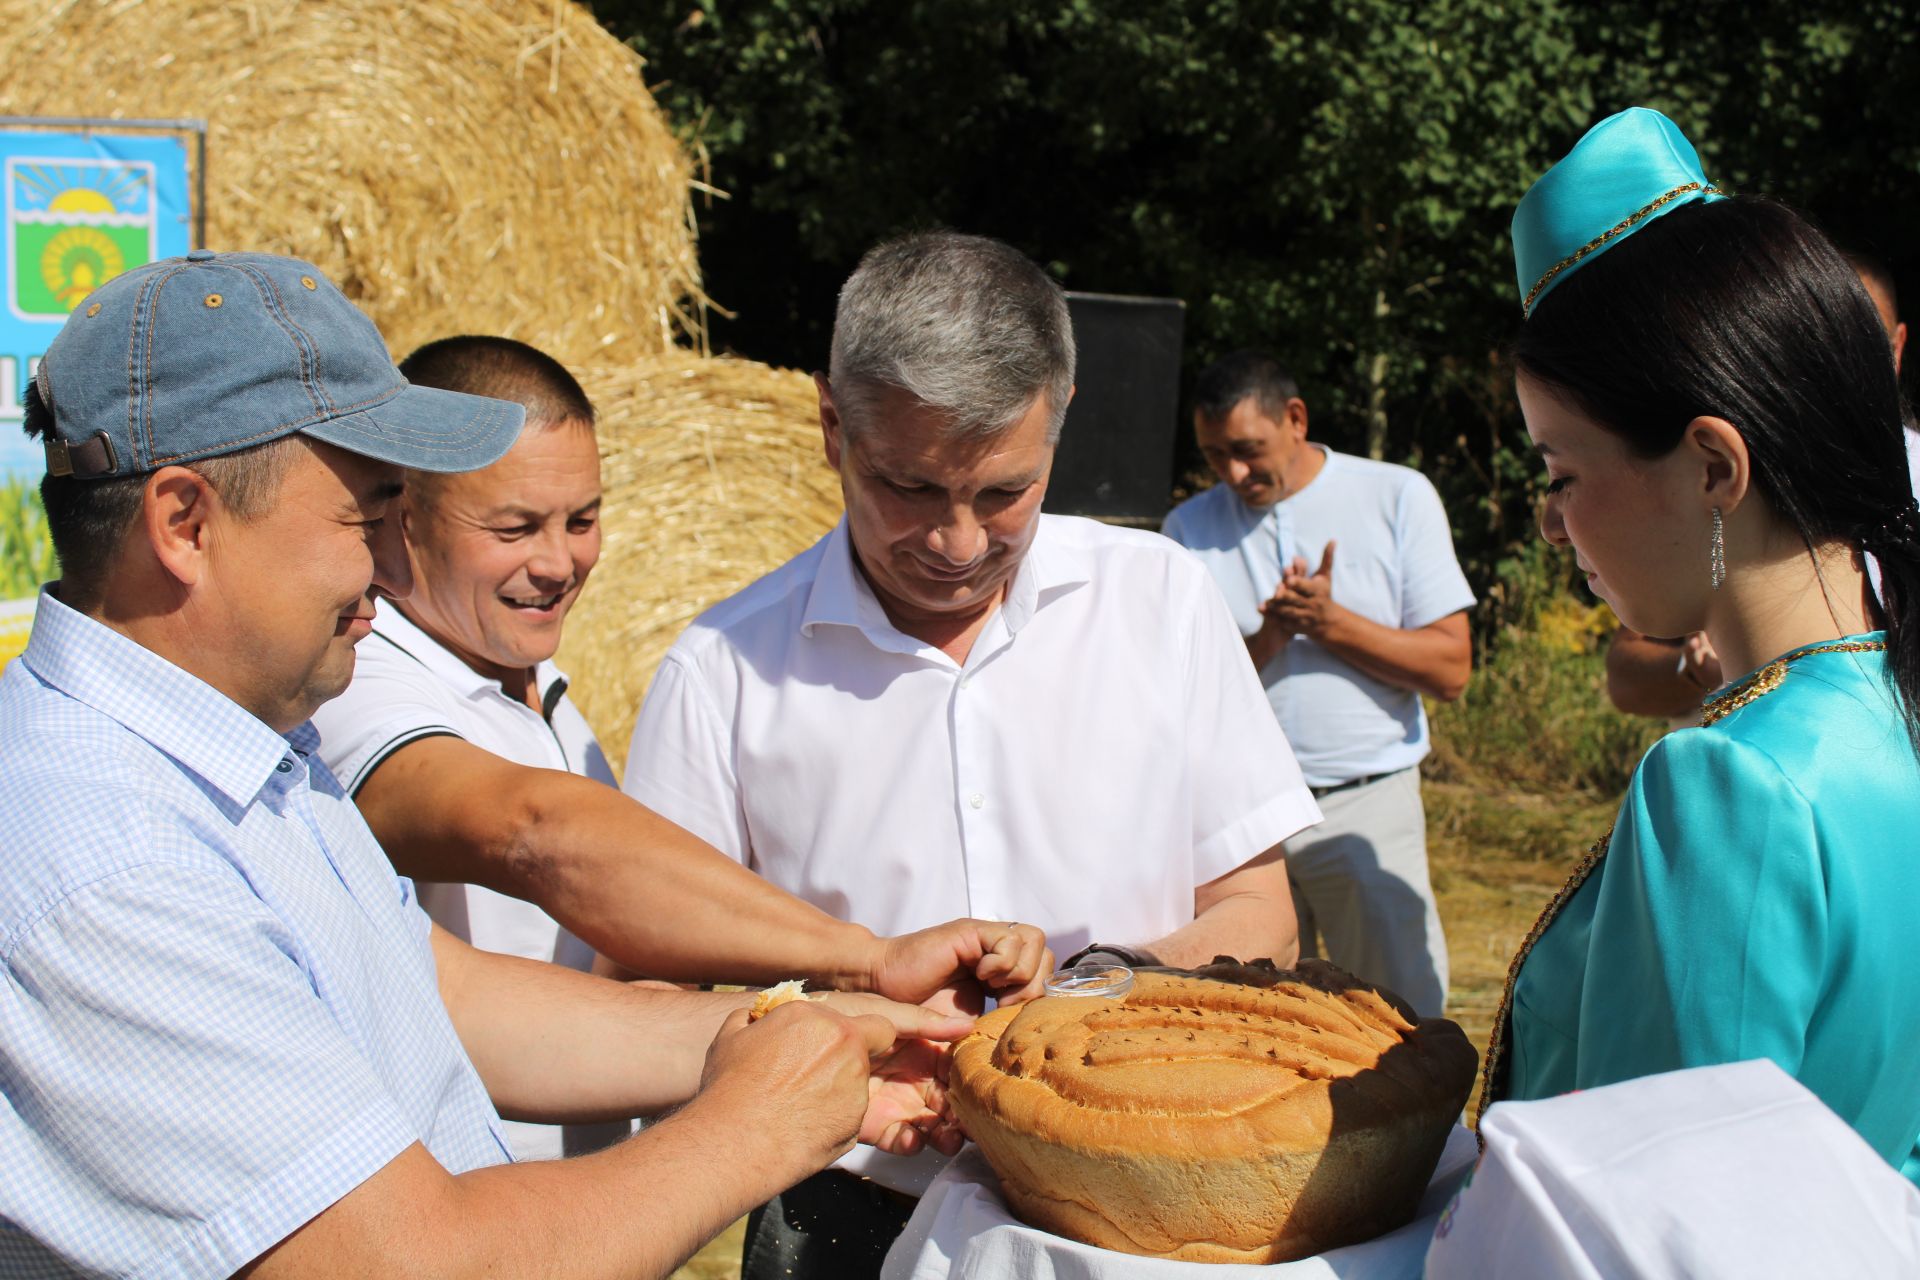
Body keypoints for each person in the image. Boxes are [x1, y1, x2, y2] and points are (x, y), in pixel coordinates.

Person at [0, 252, 970, 1278]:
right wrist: (756, 1121)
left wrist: (800, 1025)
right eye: (365, 511)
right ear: (185, 523)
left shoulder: (248, 764)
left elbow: (451, 1002)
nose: (389, 558)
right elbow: (411, 1264)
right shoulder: (117, 864)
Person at [623, 231, 1323, 1279]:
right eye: (909, 488)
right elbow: (639, 986)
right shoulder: (721, 671)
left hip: (1141, 1206)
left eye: (1003, 492)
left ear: (1063, 412)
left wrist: (1090, 1008)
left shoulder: (1160, 600)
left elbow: (1259, 912)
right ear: (830, 427)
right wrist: (824, 1045)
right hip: (843, 1214)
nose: (957, 542)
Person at [309, 336, 1050, 1161]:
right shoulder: (348, 681)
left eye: (582, 520)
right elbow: (533, 832)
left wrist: (823, 1041)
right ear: (401, 517)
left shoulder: (529, 684)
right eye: (515, 528)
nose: (560, 562)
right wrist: (868, 961)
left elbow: (573, 1005)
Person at [1483, 107, 1920, 1186]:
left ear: (1714, 466)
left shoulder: (1732, 778)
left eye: (1560, 474)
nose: (1550, 523)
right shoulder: (1891, 700)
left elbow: (1661, 1211)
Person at [1161, 351, 1472, 1017]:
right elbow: (1171, 690)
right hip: (1239, 821)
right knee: (1249, 1023)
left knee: (1397, 1019)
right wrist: (1272, 635)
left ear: (1296, 419)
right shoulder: (1188, 529)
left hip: (1365, 801)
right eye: (1216, 456)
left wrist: (1332, 624)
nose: (1234, 474)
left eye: (1248, 449)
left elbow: (1450, 668)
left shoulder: (1396, 495)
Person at [1604, 249, 1913, 724]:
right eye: (1812, 343)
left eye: (1860, 342)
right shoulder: (1728, 478)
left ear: (1895, 347)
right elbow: (1626, 676)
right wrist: (1693, 666)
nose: (1837, 366)